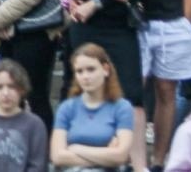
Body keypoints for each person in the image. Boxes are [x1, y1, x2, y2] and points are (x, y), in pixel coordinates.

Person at [49, 42, 134, 170]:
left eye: (91, 69)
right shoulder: (66, 108)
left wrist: (76, 149)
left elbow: (121, 156)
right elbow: (57, 156)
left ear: (105, 69)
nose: (85, 77)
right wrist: (106, 155)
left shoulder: (122, 107)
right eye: (79, 71)